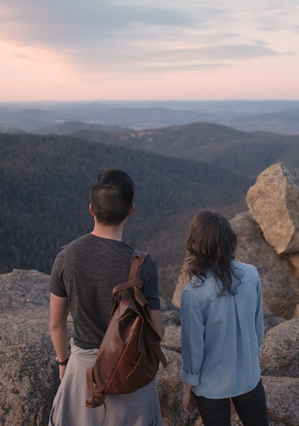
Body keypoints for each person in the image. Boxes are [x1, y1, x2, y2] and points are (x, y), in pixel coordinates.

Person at [49, 169, 165, 426]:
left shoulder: (66, 257)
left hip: (83, 376)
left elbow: (56, 324)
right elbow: (156, 330)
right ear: (131, 210)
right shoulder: (144, 266)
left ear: (91, 210)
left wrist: (63, 363)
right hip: (131, 376)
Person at [180, 211, 268, 426]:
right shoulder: (251, 274)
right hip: (249, 376)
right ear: (229, 241)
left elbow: (194, 349)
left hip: (211, 386)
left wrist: (188, 385)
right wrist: (249, 355)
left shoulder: (193, 293)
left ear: (195, 244)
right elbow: (258, 328)